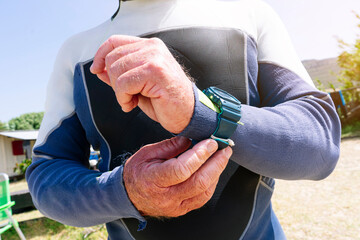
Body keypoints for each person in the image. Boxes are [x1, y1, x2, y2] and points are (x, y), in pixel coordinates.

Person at [26, 0, 341, 239]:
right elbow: (46, 174)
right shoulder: (75, 53)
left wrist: (199, 111)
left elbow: (320, 142)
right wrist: (125, 191)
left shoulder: (247, 12)